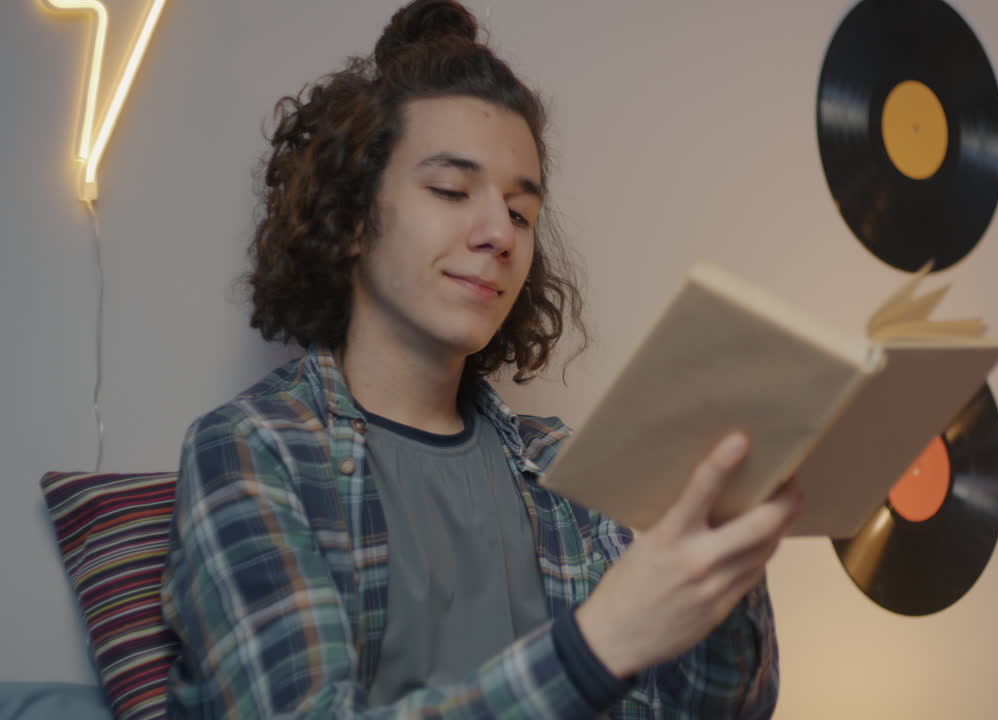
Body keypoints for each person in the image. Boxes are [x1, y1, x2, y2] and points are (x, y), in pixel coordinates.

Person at [159, 1, 804, 717]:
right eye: (450, 190)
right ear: (348, 220)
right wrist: (592, 649)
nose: (500, 232)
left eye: (522, 212)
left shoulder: (567, 469)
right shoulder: (251, 451)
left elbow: (714, 712)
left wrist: (728, 564)